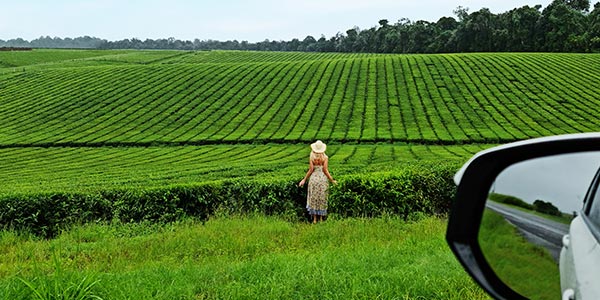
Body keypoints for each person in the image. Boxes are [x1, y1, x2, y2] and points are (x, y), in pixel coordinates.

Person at [298, 140, 337, 223]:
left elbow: (311, 170)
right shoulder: (325, 158)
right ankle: (321, 219)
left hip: (314, 179)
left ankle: (315, 219)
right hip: (322, 179)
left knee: (314, 198)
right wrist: (332, 180)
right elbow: (325, 170)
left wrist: (304, 179)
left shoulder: (312, 157)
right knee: (322, 198)